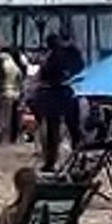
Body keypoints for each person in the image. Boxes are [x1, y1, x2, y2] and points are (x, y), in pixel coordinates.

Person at [36, 33, 85, 172]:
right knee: (72, 128)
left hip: (58, 92)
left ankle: (53, 161)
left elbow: (45, 74)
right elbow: (80, 70)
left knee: (56, 130)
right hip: (67, 92)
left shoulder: (53, 56)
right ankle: (77, 158)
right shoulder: (72, 53)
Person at [0, 47, 23, 143]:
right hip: (15, 93)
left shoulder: (2, 63)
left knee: (4, 116)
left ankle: (4, 137)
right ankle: (13, 137)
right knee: (13, 117)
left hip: (4, 92)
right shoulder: (16, 66)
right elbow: (20, 80)